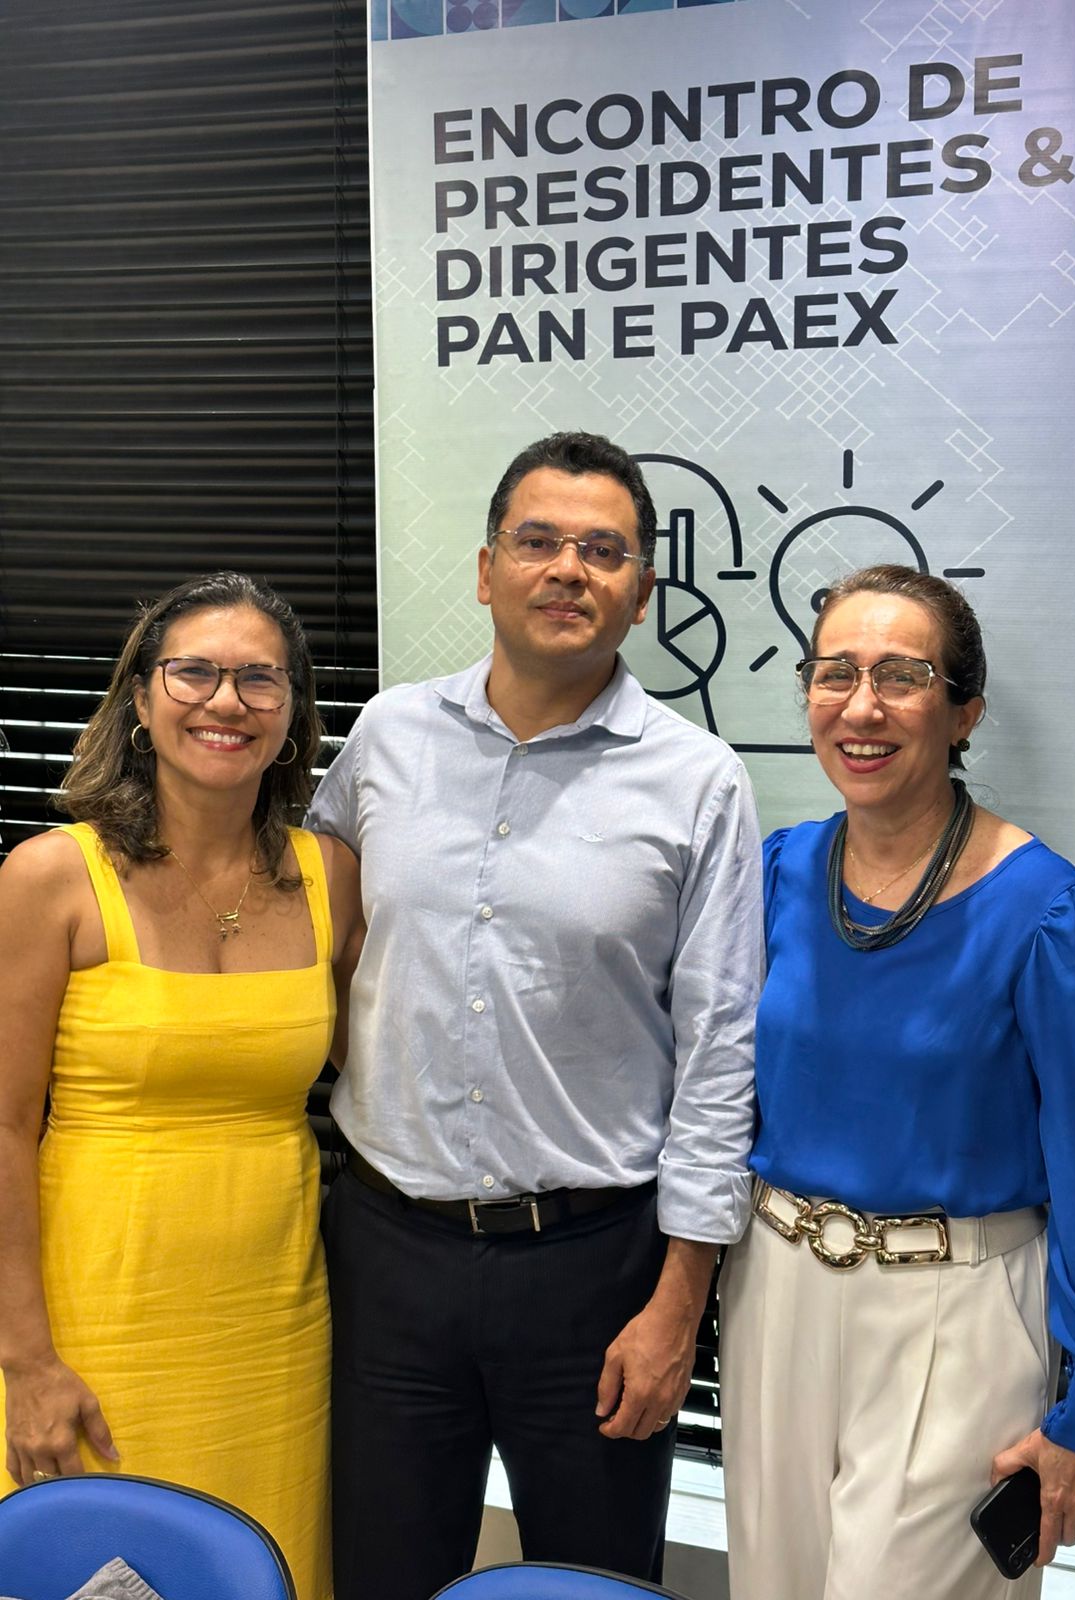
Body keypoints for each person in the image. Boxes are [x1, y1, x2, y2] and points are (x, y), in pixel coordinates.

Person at [307, 430, 762, 1600]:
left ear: (642, 592)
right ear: (485, 569)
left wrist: (679, 1307)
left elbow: (721, 1057)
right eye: (539, 541)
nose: (568, 568)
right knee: (381, 1574)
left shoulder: (699, 780)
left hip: (595, 1272)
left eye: (603, 550)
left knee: (588, 1583)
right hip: (387, 1252)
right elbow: (309, 942)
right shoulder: (386, 738)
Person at [719, 565, 1075, 1600]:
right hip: (773, 1295)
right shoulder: (777, 874)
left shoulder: (1048, 915)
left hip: (956, 1314)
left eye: (902, 676)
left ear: (964, 711)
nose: (862, 706)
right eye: (835, 673)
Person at [0, 571, 364, 1600]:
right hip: (96, 1319)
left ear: (292, 716)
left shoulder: (332, 877)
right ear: (141, 699)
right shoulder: (52, 877)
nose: (226, 701)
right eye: (193, 672)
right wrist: (26, 1360)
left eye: (260, 679)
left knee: (269, 1564)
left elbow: (391, 1071)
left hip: (275, 1327)